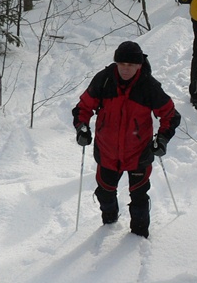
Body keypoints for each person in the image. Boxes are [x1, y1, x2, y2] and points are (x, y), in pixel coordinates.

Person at [72, 41, 181, 238]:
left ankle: (139, 237)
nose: (125, 69)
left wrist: (162, 139)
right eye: (121, 63)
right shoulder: (104, 80)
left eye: (130, 65)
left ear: (139, 65)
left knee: (139, 196)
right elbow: (83, 107)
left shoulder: (148, 85)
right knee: (105, 193)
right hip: (107, 151)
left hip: (139, 152)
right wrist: (82, 128)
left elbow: (170, 115)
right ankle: (109, 220)